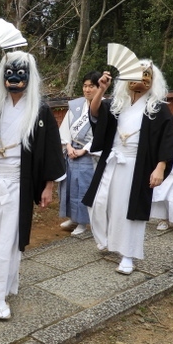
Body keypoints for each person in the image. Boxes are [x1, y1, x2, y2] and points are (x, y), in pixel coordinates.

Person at [0, 47, 65, 320]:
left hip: (18, 184)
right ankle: (0, 283)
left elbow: (52, 151)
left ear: (30, 77)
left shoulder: (39, 111)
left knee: (7, 241)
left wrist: (48, 186)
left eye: (21, 73)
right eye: (9, 72)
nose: (14, 78)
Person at [81, 62, 173, 275]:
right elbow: (95, 113)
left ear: (152, 80)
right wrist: (101, 89)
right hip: (114, 160)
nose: (139, 81)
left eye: (145, 76)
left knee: (129, 211)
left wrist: (161, 167)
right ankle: (106, 240)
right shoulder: (119, 103)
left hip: (139, 164)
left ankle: (128, 254)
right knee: (99, 202)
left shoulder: (158, 108)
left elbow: (167, 139)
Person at [58, 70, 102, 236]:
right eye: (85, 86)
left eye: (91, 86)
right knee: (69, 187)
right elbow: (65, 129)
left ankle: (84, 222)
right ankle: (73, 218)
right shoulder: (76, 106)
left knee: (84, 188)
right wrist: (68, 147)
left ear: (100, 87)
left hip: (89, 156)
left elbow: (102, 134)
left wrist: (84, 149)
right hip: (71, 153)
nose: (87, 89)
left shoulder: (104, 106)